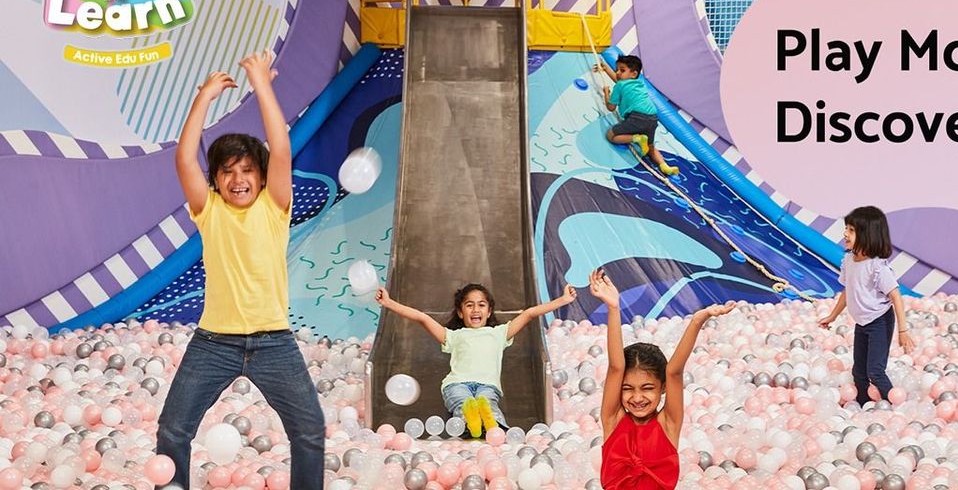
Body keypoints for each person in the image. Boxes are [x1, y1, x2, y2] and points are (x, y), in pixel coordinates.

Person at [156, 51, 325, 489]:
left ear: (263, 177)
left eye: (248, 170)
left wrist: (261, 84)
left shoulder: (274, 207)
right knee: (173, 429)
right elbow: (183, 159)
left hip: (274, 341)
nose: (238, 179)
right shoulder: (208, 210)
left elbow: (281, 147)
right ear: (215, 180)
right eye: (227, 172)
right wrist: (204, 97)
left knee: (310, 430)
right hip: (214, 341)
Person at [591, 268, 735, 489]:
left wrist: (697, 321)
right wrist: (613, 308)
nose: (637, 397)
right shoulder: (613, 420)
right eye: (628, 388)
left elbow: (674, 372)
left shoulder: (668, 423)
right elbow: (616, 367)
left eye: (647, 388)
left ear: (663, 388)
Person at [375, 282, 577, 437]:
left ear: (489, 312)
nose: (475, 310)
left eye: (481, 305)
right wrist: (389, 303)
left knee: (488, 405)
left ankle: (493, 428)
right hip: (457, 384)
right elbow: (422, 318)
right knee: (462, 402)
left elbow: (530, 314)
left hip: (487, 386)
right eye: (469, 305)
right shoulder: (453, 336)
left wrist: (563, 300)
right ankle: (469, 421)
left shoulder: (499, 333)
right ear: (460, 312)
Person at [818, 205, 916, 406]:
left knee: (875, 371)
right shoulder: (849, 260)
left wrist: (903, 331)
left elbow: (896, 297)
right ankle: (863, 405)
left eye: (852, 230)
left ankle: (897, 406)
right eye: (846, 228)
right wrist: (833, 316)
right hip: (862, 322)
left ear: (867, 235)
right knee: (859, 371)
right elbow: (847, 291)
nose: (845, 233)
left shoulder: (876, 267)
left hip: (879, 321)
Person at [594, 55, 680, 176]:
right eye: (617, 70)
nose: (617, 73)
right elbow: (619, 81)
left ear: (634, 74)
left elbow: (611, 107)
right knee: (650, 147)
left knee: (611, 136)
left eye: (622, 70)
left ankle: (638, 138)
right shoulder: (639, 83)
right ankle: (665, 166)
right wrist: (606, 69)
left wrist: (606, 93)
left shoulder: (620, 86)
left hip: (637, 117)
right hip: (652, 119)